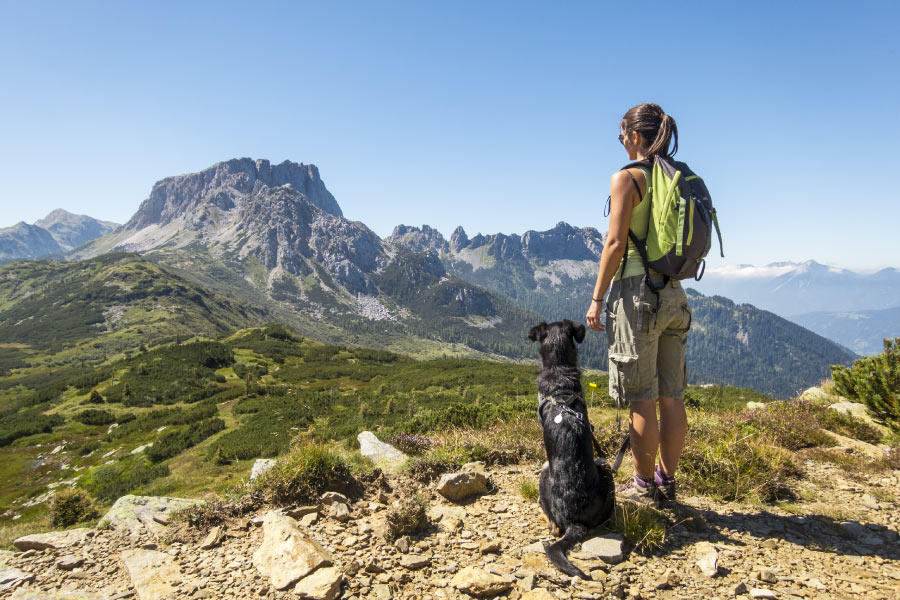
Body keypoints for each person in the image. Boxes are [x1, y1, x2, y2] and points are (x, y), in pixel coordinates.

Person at [584, 102, 693, 508]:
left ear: (635, 136)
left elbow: (614, 244)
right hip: (675, 294)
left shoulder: (627, 178)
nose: (621, 142)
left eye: (621, 135)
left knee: (642, 397)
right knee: (672, 395)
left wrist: (597, 298)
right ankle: (666, 481)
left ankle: (644, 488)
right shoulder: (675, 177)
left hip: (636, 296)